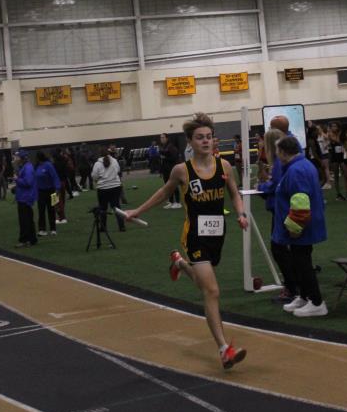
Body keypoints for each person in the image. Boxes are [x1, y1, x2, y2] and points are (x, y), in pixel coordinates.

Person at [125, 113, 249, 370]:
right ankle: (224, 349)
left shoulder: (225, 167)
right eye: (200, 137)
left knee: (203, 284)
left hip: (217, 234)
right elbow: (163, 193)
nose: (206, 141)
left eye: (209, 137)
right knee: (212, 291)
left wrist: (241, 214)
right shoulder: (182, 170)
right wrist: (138, 210)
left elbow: (235, 194)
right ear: (190, 142)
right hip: (195, 235)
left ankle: (180, 263)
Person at [273, 136, 327, 317]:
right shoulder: (302, 165)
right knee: (299, 262)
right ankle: (304, 296)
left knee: (302, 263)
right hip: (304, 224)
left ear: (283, 152)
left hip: (301, 227)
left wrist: (295, 228)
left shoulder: (296, 170)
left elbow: (300, 201)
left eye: (277, 152)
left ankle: (317, 302)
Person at [259, 128, 298, 305]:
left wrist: (261, 187)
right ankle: (293, 286)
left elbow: (275, 185)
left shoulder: (278, 164)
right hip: (283, 209)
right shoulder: (283, 163)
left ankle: (291, 288)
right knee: (283, 249)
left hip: (281, 210)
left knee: (279, 249)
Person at [92, 146, 125, 232]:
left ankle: (103, 227)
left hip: (103, 188)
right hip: (115, 187)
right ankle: (122, 226)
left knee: (103, 208)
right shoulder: (114, 161)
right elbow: (118, 170)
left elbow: (94, 176)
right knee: (117, 207)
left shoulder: (97, 164)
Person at [13, 150, 38, 247]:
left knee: (24, 220)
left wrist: (17, 179)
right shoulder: (25, 167)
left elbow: (28, 182)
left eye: (16, 157)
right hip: (24, 196)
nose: (15, 159)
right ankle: (32, 239)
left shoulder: (28, 168)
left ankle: (24, 240)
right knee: (28, 219)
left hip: (25, 197)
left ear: (21, 158)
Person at [34, 151, 61, 236]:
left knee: (51, 210)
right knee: (41, 210)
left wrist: (57, 189)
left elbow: (55, 177)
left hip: (51, 190)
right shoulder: (37, 167)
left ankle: (53, 229)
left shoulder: (49, 165)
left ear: (38, 158)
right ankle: (42, 229)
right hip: (40, 192)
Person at [159, 133, 181, 209]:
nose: (161, 139)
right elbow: (162, 160)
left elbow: (175, 158)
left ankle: (178, 202)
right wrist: (161, 171)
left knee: (174, 186)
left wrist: (164, 157)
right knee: (167, 186)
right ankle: (171, 202)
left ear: (167, 138)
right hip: (165, 170)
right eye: (161, 137)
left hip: (171, 170)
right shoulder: (163, 147)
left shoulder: (171, 147)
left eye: (163, 137)